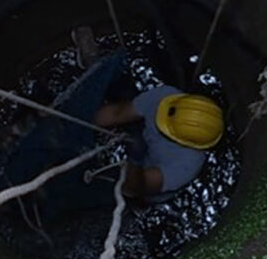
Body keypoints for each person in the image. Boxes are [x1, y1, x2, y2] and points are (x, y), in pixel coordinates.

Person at [94, 86, 223, 201]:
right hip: (143, 141)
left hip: (144, 179)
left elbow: (138, 187)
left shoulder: (187, 164)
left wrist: (133, 162)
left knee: (115, 188)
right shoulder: (165, 98)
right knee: (124, 91)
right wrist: (86, 122)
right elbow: (116, 114)